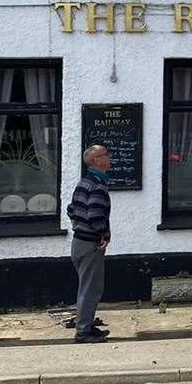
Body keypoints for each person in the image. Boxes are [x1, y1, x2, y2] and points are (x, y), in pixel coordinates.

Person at [66, 144, 112, 343]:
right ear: (96, 161)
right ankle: (83, 332)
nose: (110, 158)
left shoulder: (84, 183)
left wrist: (79, 225)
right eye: (106, 155)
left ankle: (87, 325)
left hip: (79, 242)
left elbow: (71, 209)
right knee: (90, 289)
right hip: (90, 244)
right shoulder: (98, 185)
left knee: (87, 287)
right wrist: (104, 234)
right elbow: (94, 215)